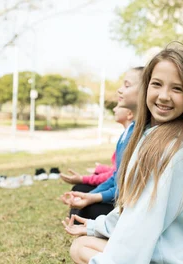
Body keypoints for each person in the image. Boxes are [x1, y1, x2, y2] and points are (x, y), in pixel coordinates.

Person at [38, 46, 183, 264]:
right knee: (80, 245)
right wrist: (96, 227)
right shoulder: (151, 135)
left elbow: (141, 225)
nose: (163, 96)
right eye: (157, 84)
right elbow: (133, 207)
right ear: (146, 85)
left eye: (177, 88)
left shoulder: (178, 149)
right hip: (152, 256)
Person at [59, 68, 143, 220]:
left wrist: (93, 197)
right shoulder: (128, 133)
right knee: (81, 198)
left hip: (131, 209)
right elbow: (116, 177)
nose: (119, 90)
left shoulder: (140, 135)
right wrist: (89, 195)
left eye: (127, 85)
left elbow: (124, 188)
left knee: (86, 210)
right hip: (121, 200)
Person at [59, 106, 134, 192]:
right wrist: (100, 169)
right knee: (81, 188)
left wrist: (83, 179)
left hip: (120, 193)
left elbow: (116, 176)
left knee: (80, 189)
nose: (114, 109)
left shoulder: (130, 139)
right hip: (117, 189)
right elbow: (116, 170)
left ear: (130, 114)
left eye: (119, 106)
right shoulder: (125, 135)